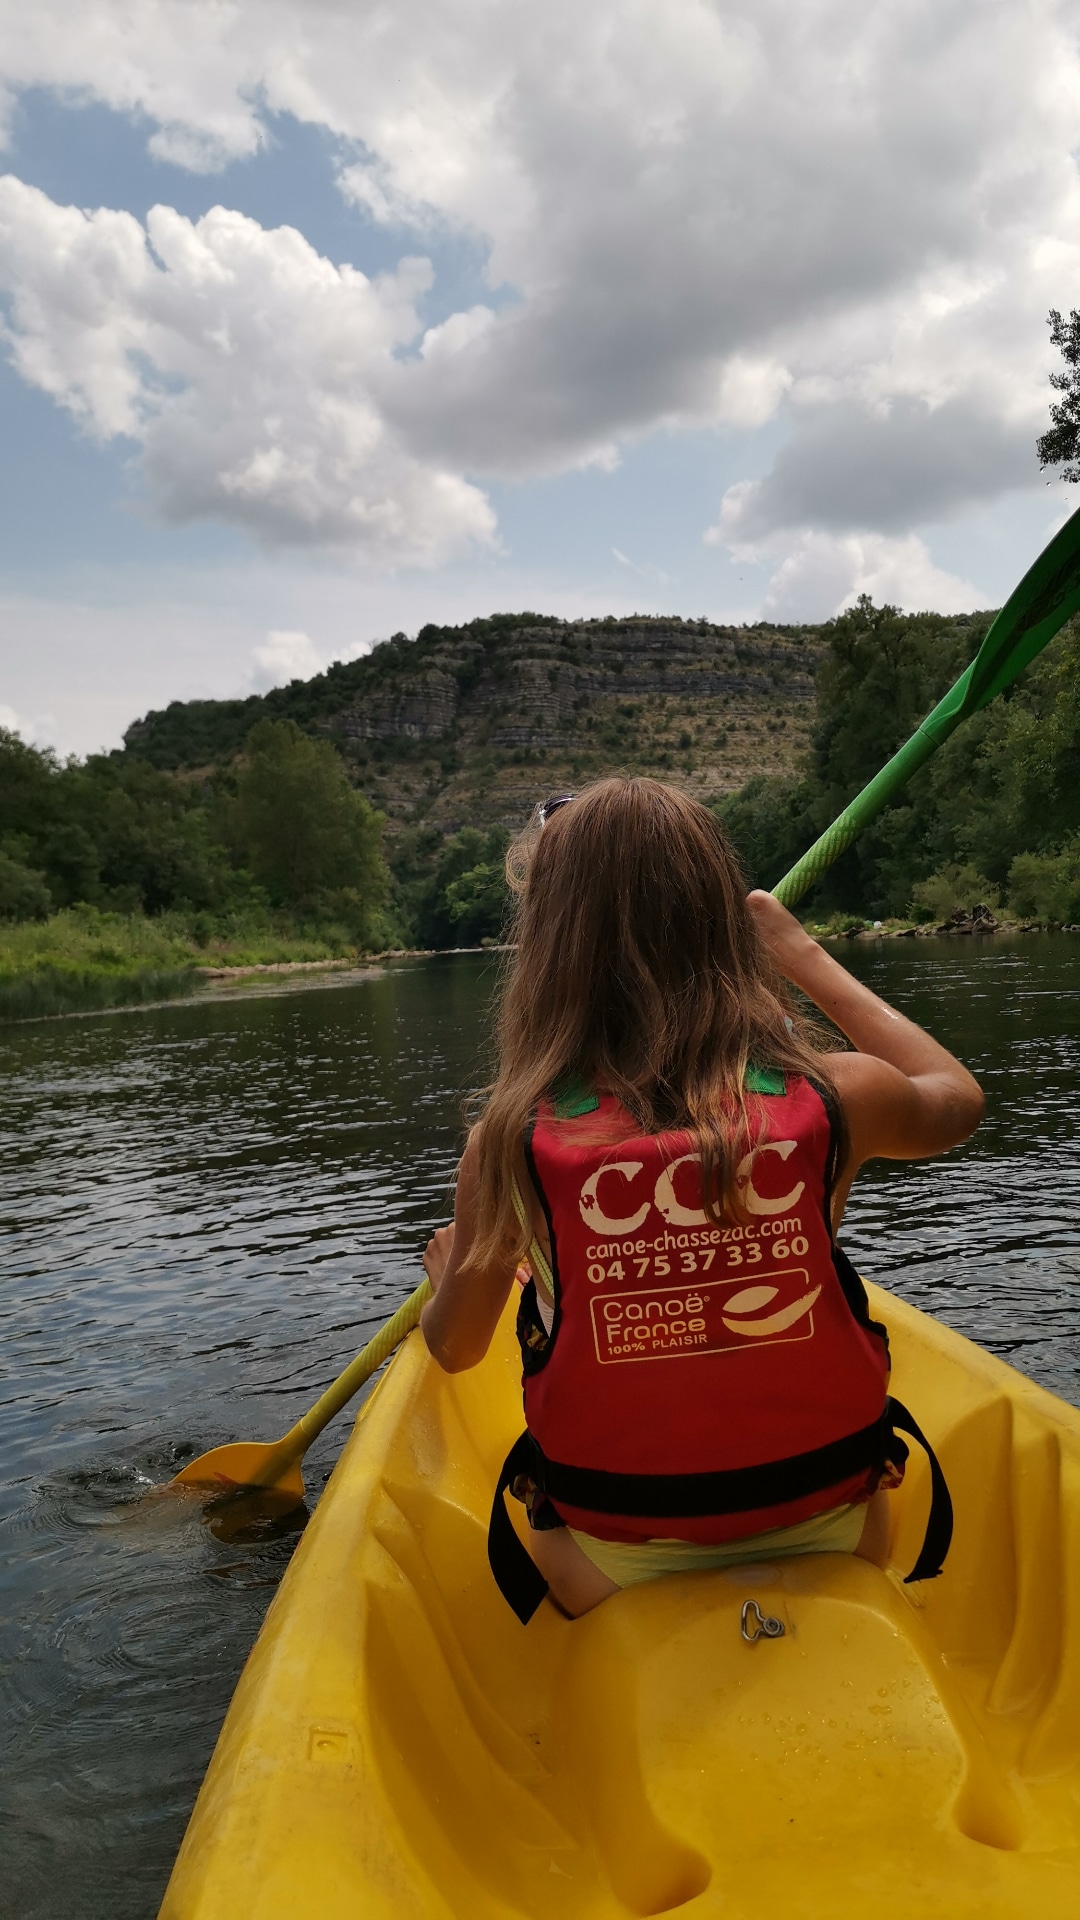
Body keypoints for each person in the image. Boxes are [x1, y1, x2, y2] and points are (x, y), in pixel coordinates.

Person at [421, 779, 983, 1620]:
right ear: (728, 926)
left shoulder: (507, 1143)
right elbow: (957, 1097)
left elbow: (456, 1349)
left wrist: (447, 1278)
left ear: (547, 945)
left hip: (611, 1561)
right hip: (837, 1526)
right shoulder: (841, 1096)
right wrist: (802, 954)